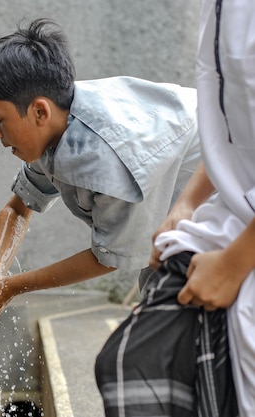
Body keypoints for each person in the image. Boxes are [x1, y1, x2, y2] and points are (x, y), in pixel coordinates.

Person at [0, 17, 201, 348]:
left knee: (176, 334)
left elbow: (109, 257)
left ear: (39, 112)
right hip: (187, 216)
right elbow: (18, 207)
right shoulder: (57, 121)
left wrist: (10, 287)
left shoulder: (111, 160)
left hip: (229, 213)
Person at [96, 0, 254, 416]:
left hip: (239, 251)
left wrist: (237, 261)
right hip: (222, 229)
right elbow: (233, 129)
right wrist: (185, 204)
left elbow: (112, 255)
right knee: (130, 364)